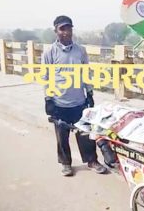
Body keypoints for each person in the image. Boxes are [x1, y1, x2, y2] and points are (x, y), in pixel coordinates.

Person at [42, 15, 107, 176]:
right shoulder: (49, 52)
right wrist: (48, 99)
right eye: (62, 29)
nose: (66, 32)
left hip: (79, 101)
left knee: (85, 133)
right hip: (59, 103)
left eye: (68, 28)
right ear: (56, 31)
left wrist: (89, 93)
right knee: (62, 137)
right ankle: (66, 164)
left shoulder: (80, 51)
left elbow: (86, 74)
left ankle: (92, 161)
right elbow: (46, 77)